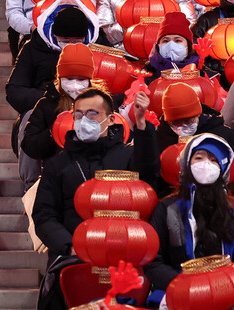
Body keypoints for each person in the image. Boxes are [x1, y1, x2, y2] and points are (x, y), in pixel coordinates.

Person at [32, 87, 159, 308]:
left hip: (125, 255)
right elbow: (44, 216)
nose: (84, 120)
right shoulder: (57, 164)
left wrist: (140, 124)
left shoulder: (127, 156)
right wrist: (71, 246)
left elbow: (149, 180)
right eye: (78, 115)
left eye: (92, 114)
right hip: (73, 256)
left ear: (110, 120)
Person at [144, 134, 234, 296]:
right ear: (186, 164)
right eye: (199, 158)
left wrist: (227, 285)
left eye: (213, 160)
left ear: (223, 168)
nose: (206, 164)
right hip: (178, 293)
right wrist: (186, 285)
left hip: (226, 294)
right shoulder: (167, 208)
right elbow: (153, 262)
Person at [6, 0, 100, 118]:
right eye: (65, 39)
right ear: (55, 35)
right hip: (45, 110)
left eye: (77, 40)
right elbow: (15, 90)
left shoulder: (99, 46)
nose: (70, 44)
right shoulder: (34, 47)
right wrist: (53, 98)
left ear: (85, 37)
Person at [156, 82, 234, 195]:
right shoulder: (160, 138)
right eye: (175, 122)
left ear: (198, 114)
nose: (183, 126)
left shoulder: (222, 135)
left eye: (188, 120)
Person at [21, 43, 97, 165]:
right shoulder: (47, 104)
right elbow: (29, 145)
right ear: (60, 79)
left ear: (90, 80)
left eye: (81, 79)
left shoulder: (101, 103)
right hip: (58, 173)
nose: (75, 85)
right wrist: (54, 131)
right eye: (69, 79)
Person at [143, 12, 207, 80]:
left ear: (188, 45)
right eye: (165, 41)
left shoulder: (200, 69)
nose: (171, 45)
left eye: (177, 41)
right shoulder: (149, 70)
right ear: (158, 45)